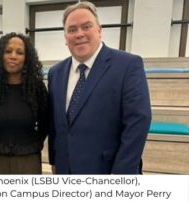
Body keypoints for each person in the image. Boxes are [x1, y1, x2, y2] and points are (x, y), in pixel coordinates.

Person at [48, 1, 151, 174]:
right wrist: (55, 161)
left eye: (86, 26)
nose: (79, 34)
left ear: (99, 30)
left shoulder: (128, 65)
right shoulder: (55, 73)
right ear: (65, 38)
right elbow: (56, 125)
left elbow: (138, 123)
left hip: (108, 171)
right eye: (72, 30)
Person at [0, 32, 48, 174]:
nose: (13, 56)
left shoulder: (36, 88)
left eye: (19, 52)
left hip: (29, 160)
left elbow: (45, 124)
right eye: (8, 51)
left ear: (26, 58)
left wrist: (30, 144)